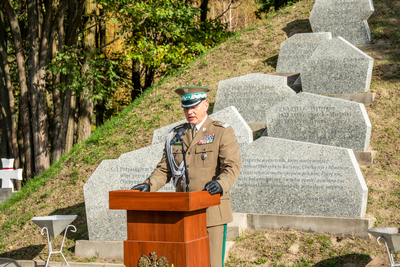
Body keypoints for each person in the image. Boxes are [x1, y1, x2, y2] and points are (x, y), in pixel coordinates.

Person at [131, 86, 241, 267]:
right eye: (186, 107)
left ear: (206, 105)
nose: (189, 111)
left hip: (211, 212)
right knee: (186, 262)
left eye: (194, 106)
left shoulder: (221, 132)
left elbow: (232, 165)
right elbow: (165, 169)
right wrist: (149, 185)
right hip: (183, 214)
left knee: (211, 263)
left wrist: (222, 184)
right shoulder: (176, 135)